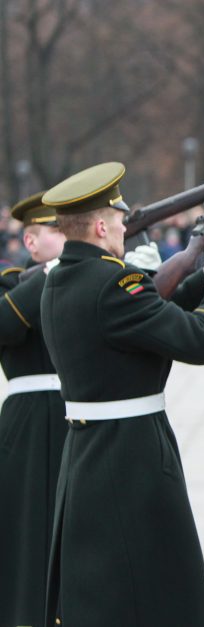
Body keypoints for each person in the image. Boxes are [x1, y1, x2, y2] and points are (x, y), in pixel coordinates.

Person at [39, 161, 204, 627]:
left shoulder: (62, 280)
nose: (125, 225)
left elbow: (153, 317)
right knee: (153, 590)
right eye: (118, 218)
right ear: (101, 225)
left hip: (89, 453)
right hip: (130, 458)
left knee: (108, 589)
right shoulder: (114, 284)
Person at [0, 192, 68, 627]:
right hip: (27, 424)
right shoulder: (11, 283)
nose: (68, 239)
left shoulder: (87, 280)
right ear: (30, 242)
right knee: (25, 536)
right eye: (57, 231)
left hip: (76, 418)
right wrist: (52, 273)